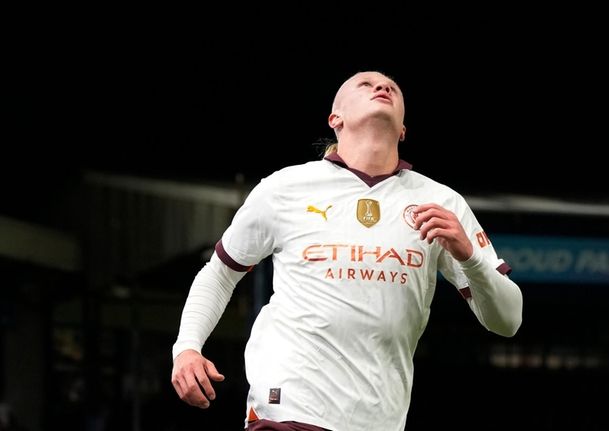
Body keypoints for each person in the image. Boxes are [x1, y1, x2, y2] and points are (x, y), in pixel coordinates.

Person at [171, 71, 523, 431]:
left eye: (392, 88)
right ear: (334, 119)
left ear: (403, 130)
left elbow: (508, 321)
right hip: (288, 409)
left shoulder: (442, 202)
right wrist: (186, 347)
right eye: (366, 85)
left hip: (379, 419)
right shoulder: (285, 188)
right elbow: (219, 273)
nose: (382, 87)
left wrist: (469, 256)